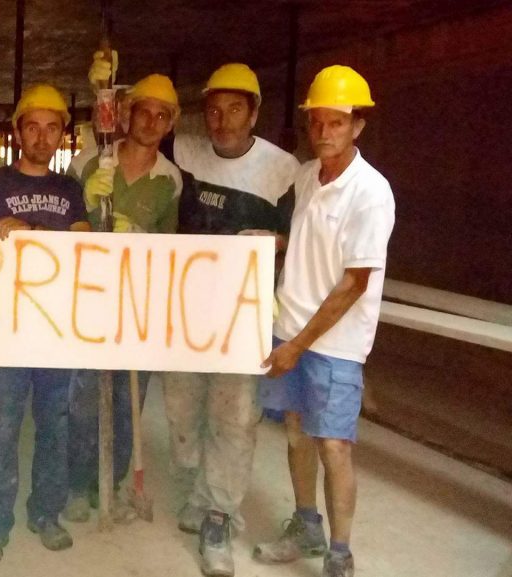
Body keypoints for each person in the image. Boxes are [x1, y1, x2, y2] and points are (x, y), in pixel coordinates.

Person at [253, 65, 394, 577]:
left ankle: (340, 553)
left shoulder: (371, 192)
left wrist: (297, 345)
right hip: (290, 326)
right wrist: (277, 242)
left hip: (335, 342)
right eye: (317, 122)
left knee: (333, 443)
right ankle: (306, 525)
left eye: (336, 122)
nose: (324, 131)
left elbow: (355, 282)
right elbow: (313, 243)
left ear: (358, 126)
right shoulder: (308, 177)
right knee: (295, 433)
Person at [161, 63, 299, 577]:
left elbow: (303, 238)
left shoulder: (282, 170)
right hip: (185, 313)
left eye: (235, 109)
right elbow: (130, 143)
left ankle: (219, 515)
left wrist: (277, 241)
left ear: (254, 113)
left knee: (235, 417)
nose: (222, 121)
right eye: (214, 111)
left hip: (243, 318)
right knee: (181, 410)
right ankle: (198, 491)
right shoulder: (186, 153)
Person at [0, 84, 89, 567]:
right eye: (32, 127)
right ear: (17, 132)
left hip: (56, 330)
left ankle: (46, 514)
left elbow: (82, 246)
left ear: (62, 136)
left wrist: (31, 233)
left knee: (54, 428)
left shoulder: (70, 190)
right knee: (0, 430)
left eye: (52, 128)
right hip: (4, 331)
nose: (42, 137)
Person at [64, 67, 183, 525]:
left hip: (137, 306)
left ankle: (110, 484)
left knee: (127, 401)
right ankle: (79, 485)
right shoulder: (89, 163)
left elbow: (169, 247)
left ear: (170, 123)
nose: (151, 122)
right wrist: (89, 205)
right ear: (127, 114)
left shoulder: (171, 180)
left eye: (161, 116)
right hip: (87, 300)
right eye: (143, 112)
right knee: (83, 400)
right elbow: (61, 226)